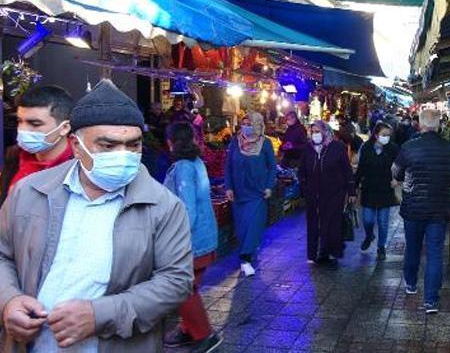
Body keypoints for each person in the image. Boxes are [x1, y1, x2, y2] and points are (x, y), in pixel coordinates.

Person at [0, 80, 192, 351]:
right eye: (108, 145)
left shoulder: (164, 206)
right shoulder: (29, 192)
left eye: (133, 145)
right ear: (76, 146)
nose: (123, 155)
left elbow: (175, 282)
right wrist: (8, 300)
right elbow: (2, 255)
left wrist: (100, 315)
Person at [392, 109, 450, 314]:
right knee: (435, 253)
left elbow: (397, 172)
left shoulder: (408, 147)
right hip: (439, 209)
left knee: (412, 247)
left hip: (413, 207)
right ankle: (431, 300)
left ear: (420, 124)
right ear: (438, 125)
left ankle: (411, 284)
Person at [162, 123, 222, 351]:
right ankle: (188, 330)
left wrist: (176, 242)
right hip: (203, 238)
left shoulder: (184, 168)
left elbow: (188, 211)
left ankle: (204, 335)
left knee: (182, 290)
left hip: (192, 242)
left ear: (171, 142)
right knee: (187, 287)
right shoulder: (196, 162)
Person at [0, 85, 74, 205]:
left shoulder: (80, 166)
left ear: (64, 128)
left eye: (34, 124)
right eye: (19, 121)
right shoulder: (14, 156)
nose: (23, 129)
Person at [225, 113, 277, 277]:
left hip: (258, 193)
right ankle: (247, 251)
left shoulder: (265, 143)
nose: (245, 126)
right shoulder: (235, 141)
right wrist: (229, 187)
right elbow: (228, 166)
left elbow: (272, 167)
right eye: (243, 123)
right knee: (241, 229)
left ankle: (245, 259)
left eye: (249, 123)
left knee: (253, 225)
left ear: (257, 125)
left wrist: (269, 186)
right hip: (239, 194)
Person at [298, 120, 355, 265]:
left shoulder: (337, 147)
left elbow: (346, 170)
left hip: (334, 191)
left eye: (318, 131)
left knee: (331, 222)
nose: (315, 134)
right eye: (313, 132)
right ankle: (313, 253)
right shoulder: (308, 148)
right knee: (313, 222)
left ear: (325, 131)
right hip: (313, 192)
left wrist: (351, 191)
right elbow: (302, 170)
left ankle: (330, 252)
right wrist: (304, 187)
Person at [354, 123, 399, 260]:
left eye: (388, 135)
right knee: (367, 220)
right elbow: (361, 168)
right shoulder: (366, 148)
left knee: (383, 221)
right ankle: (369, 235)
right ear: (376, 135)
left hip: (386, 189)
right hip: (369, 188)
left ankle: (381, 247)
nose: (386, 138)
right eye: (383, 135)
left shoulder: (393, 148)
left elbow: (400, 165)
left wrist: (397, 179)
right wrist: (353, 186)